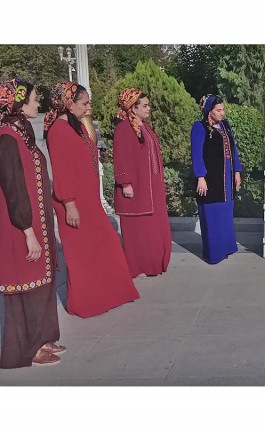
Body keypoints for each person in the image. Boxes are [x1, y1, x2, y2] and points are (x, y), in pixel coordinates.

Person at [44, 81, 139, 318]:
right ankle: (84, 303)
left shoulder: (77, 126)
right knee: (82, 256)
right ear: (69, 104)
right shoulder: (58, 130)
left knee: (104, 247)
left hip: (88, 200)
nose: (88, 107)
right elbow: (62, 170)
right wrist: (69, 204)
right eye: (84, 103)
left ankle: (106, 297)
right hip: (74, 202)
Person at [0, 78, 65, 367]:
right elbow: (13, 188)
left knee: (41, 283)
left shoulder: (21, 131)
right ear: (19, 102)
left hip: (36, 223)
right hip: (20, 226)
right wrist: (27, 231)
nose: (38, 104)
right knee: (24, 288)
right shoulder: (7, 138)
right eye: (34, 99)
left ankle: (41, 338)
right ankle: (25, 350)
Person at [113, 88, 171, 278]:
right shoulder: (123, 128)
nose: (148, 108)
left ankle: (154, 264)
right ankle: (138, 267)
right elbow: (121, 157)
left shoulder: (144, 127)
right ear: (133, 108)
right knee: (138, 230)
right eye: (144, 106)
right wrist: (125, 183)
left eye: (148, 105)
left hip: (151, 187)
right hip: (136, 188)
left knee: (152, 229)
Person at [190, 95, 242, 264]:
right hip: (211, 178)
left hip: (227, 178)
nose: (222, 113)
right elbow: (197, 154)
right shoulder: (200, 127)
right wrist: (200, 177)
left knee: (225, 214)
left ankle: (226, 248)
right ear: (208, 111)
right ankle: (214, 253)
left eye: (223, 109)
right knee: (212, 214)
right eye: (218, 110)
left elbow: (233, 150)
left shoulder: (225, 125)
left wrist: (237, 171)